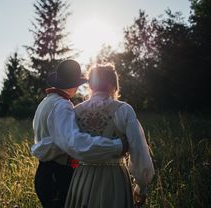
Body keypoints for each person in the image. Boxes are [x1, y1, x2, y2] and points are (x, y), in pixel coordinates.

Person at [31, 60, 128, 208]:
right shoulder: (62, 105)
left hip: (44, 172)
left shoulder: (46, 102)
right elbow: (74, 142)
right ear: (74, 85)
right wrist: (116, 146)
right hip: (57, 174)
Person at [65, 63, 155, 208]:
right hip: (114, 178)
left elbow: (70, 145)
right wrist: (141, 186)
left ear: (91, 86)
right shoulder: (124, 110)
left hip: (82, 178)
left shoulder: (76, 111)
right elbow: (138, 151)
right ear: (113, 84)